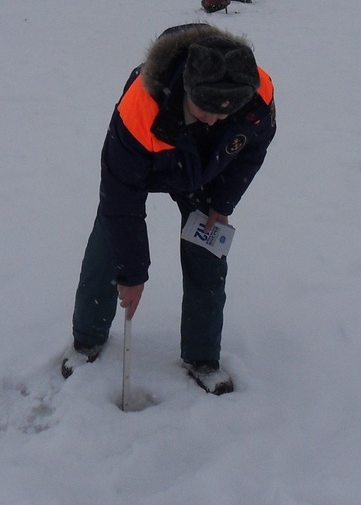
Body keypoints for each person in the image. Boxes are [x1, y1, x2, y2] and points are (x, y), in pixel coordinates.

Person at [62, 24, 276, 395]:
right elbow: (121, 197)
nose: (214, 120)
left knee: (208, 253)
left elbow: (253, 150)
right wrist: (132, 274)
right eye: (205, 110)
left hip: (206, 172)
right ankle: (87, 338)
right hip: (150, 165)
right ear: (187, 90)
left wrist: (223, 202)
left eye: (225, 114)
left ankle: (202, 355)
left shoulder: (256, 93)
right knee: (109, 243)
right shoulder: (141, 106)